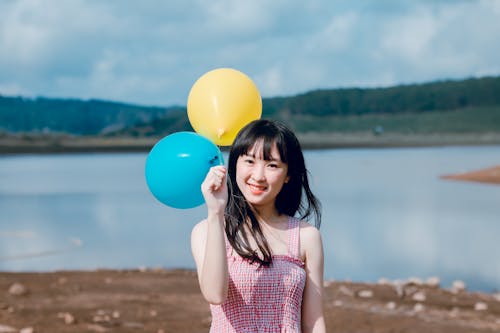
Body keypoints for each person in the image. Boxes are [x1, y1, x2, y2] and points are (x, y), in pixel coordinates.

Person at [191, 119, 326, 332]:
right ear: (234, 163)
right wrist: (216, 212)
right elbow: (215, 294)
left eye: (272, 165)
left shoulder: (306, 236)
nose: (258, 176)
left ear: (288, 174)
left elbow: (313, 322)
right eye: (250, 161)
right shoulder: (206, 230)